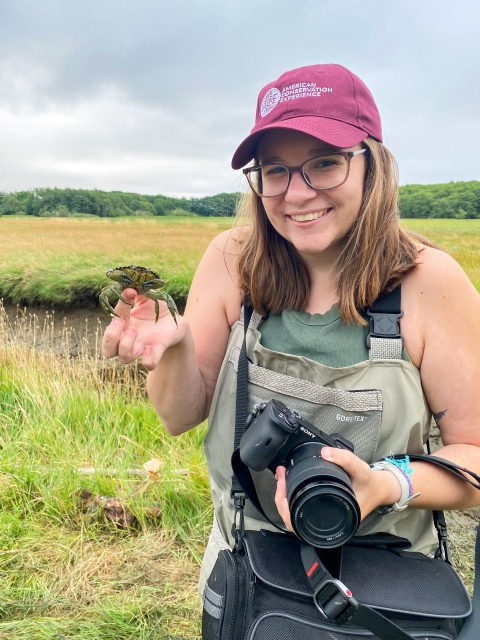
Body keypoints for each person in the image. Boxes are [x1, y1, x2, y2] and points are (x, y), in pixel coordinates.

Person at [102, 64, 480, 596]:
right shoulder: (232, 261)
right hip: (243, 566)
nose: (296, 193)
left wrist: (387, 483)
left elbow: (475, 452)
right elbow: (178, 415)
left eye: (325, 164)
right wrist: (177, 346)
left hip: (385, 582)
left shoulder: (430, 282)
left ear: (373, 166)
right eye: (274, 170)